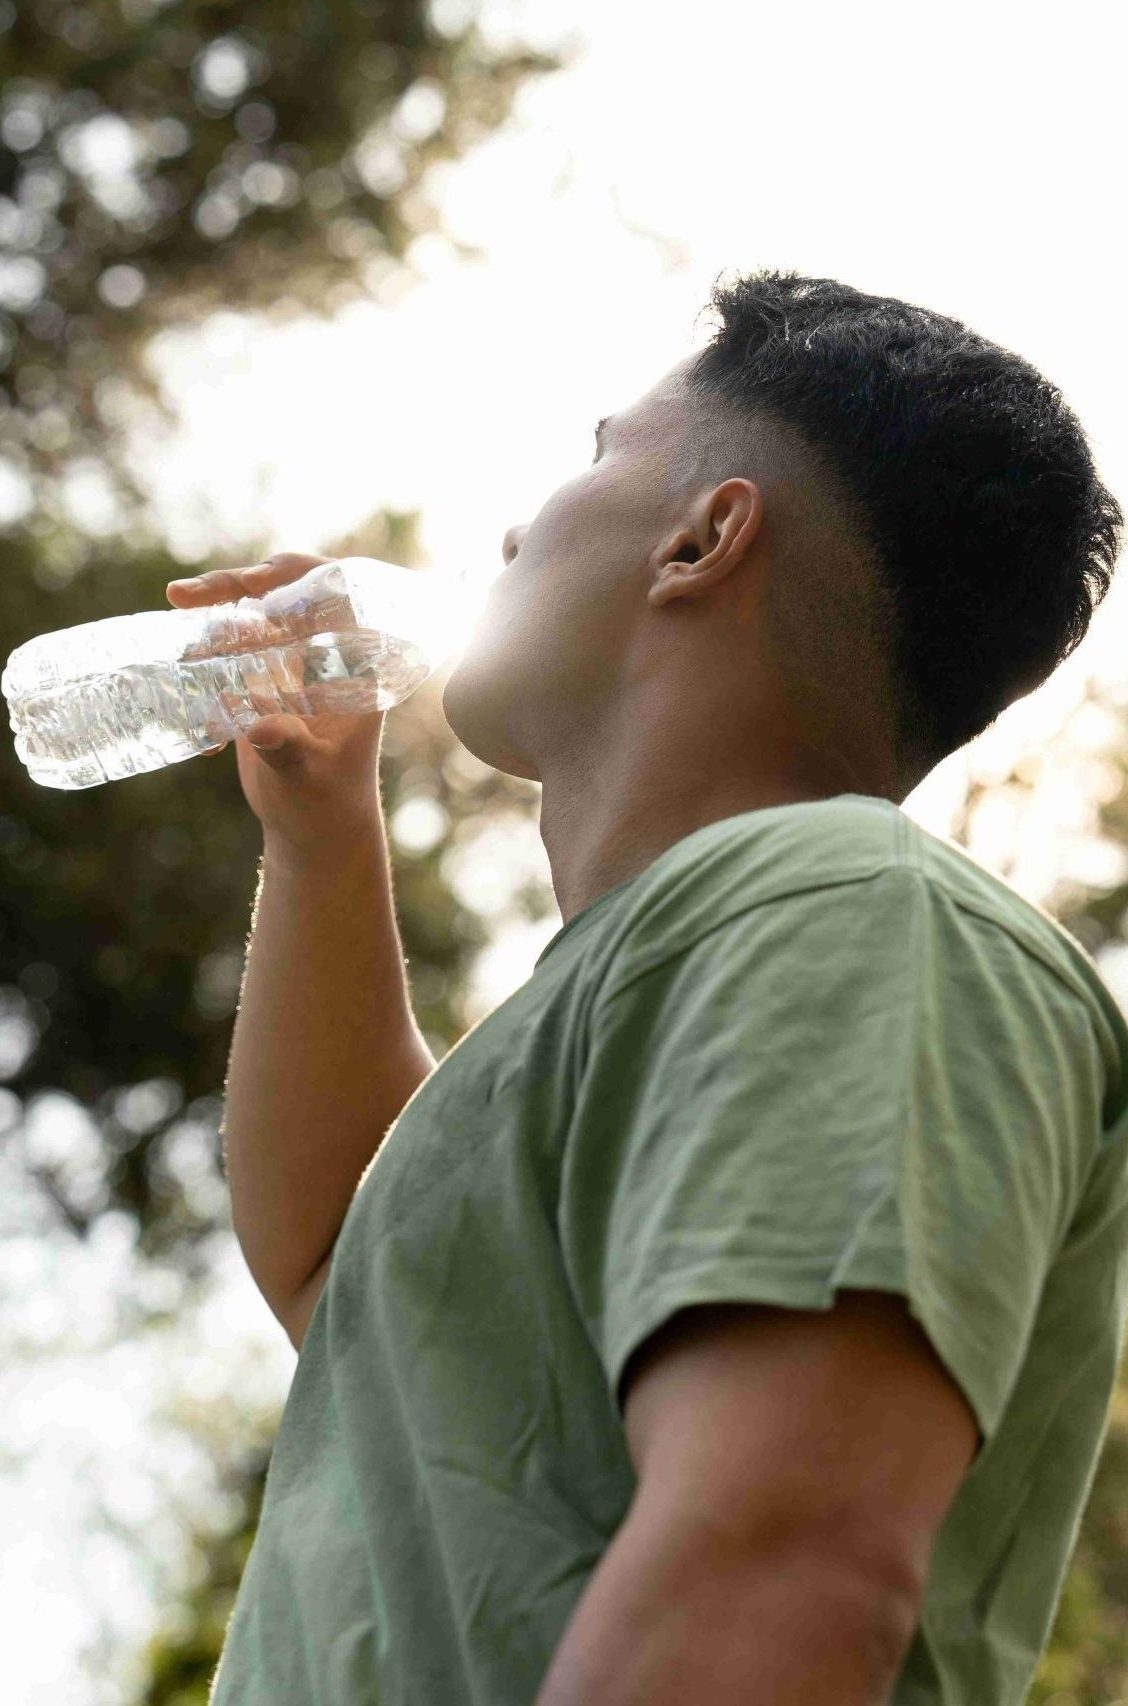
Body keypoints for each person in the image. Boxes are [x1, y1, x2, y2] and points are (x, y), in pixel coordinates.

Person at [180, 267, 1128, 1705]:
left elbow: (776, 1567)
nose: (514, 527)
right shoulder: (672, 972)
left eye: (599, 452)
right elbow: (345, 1267)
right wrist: (323, 837)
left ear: (703, 535)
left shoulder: (854, 913)